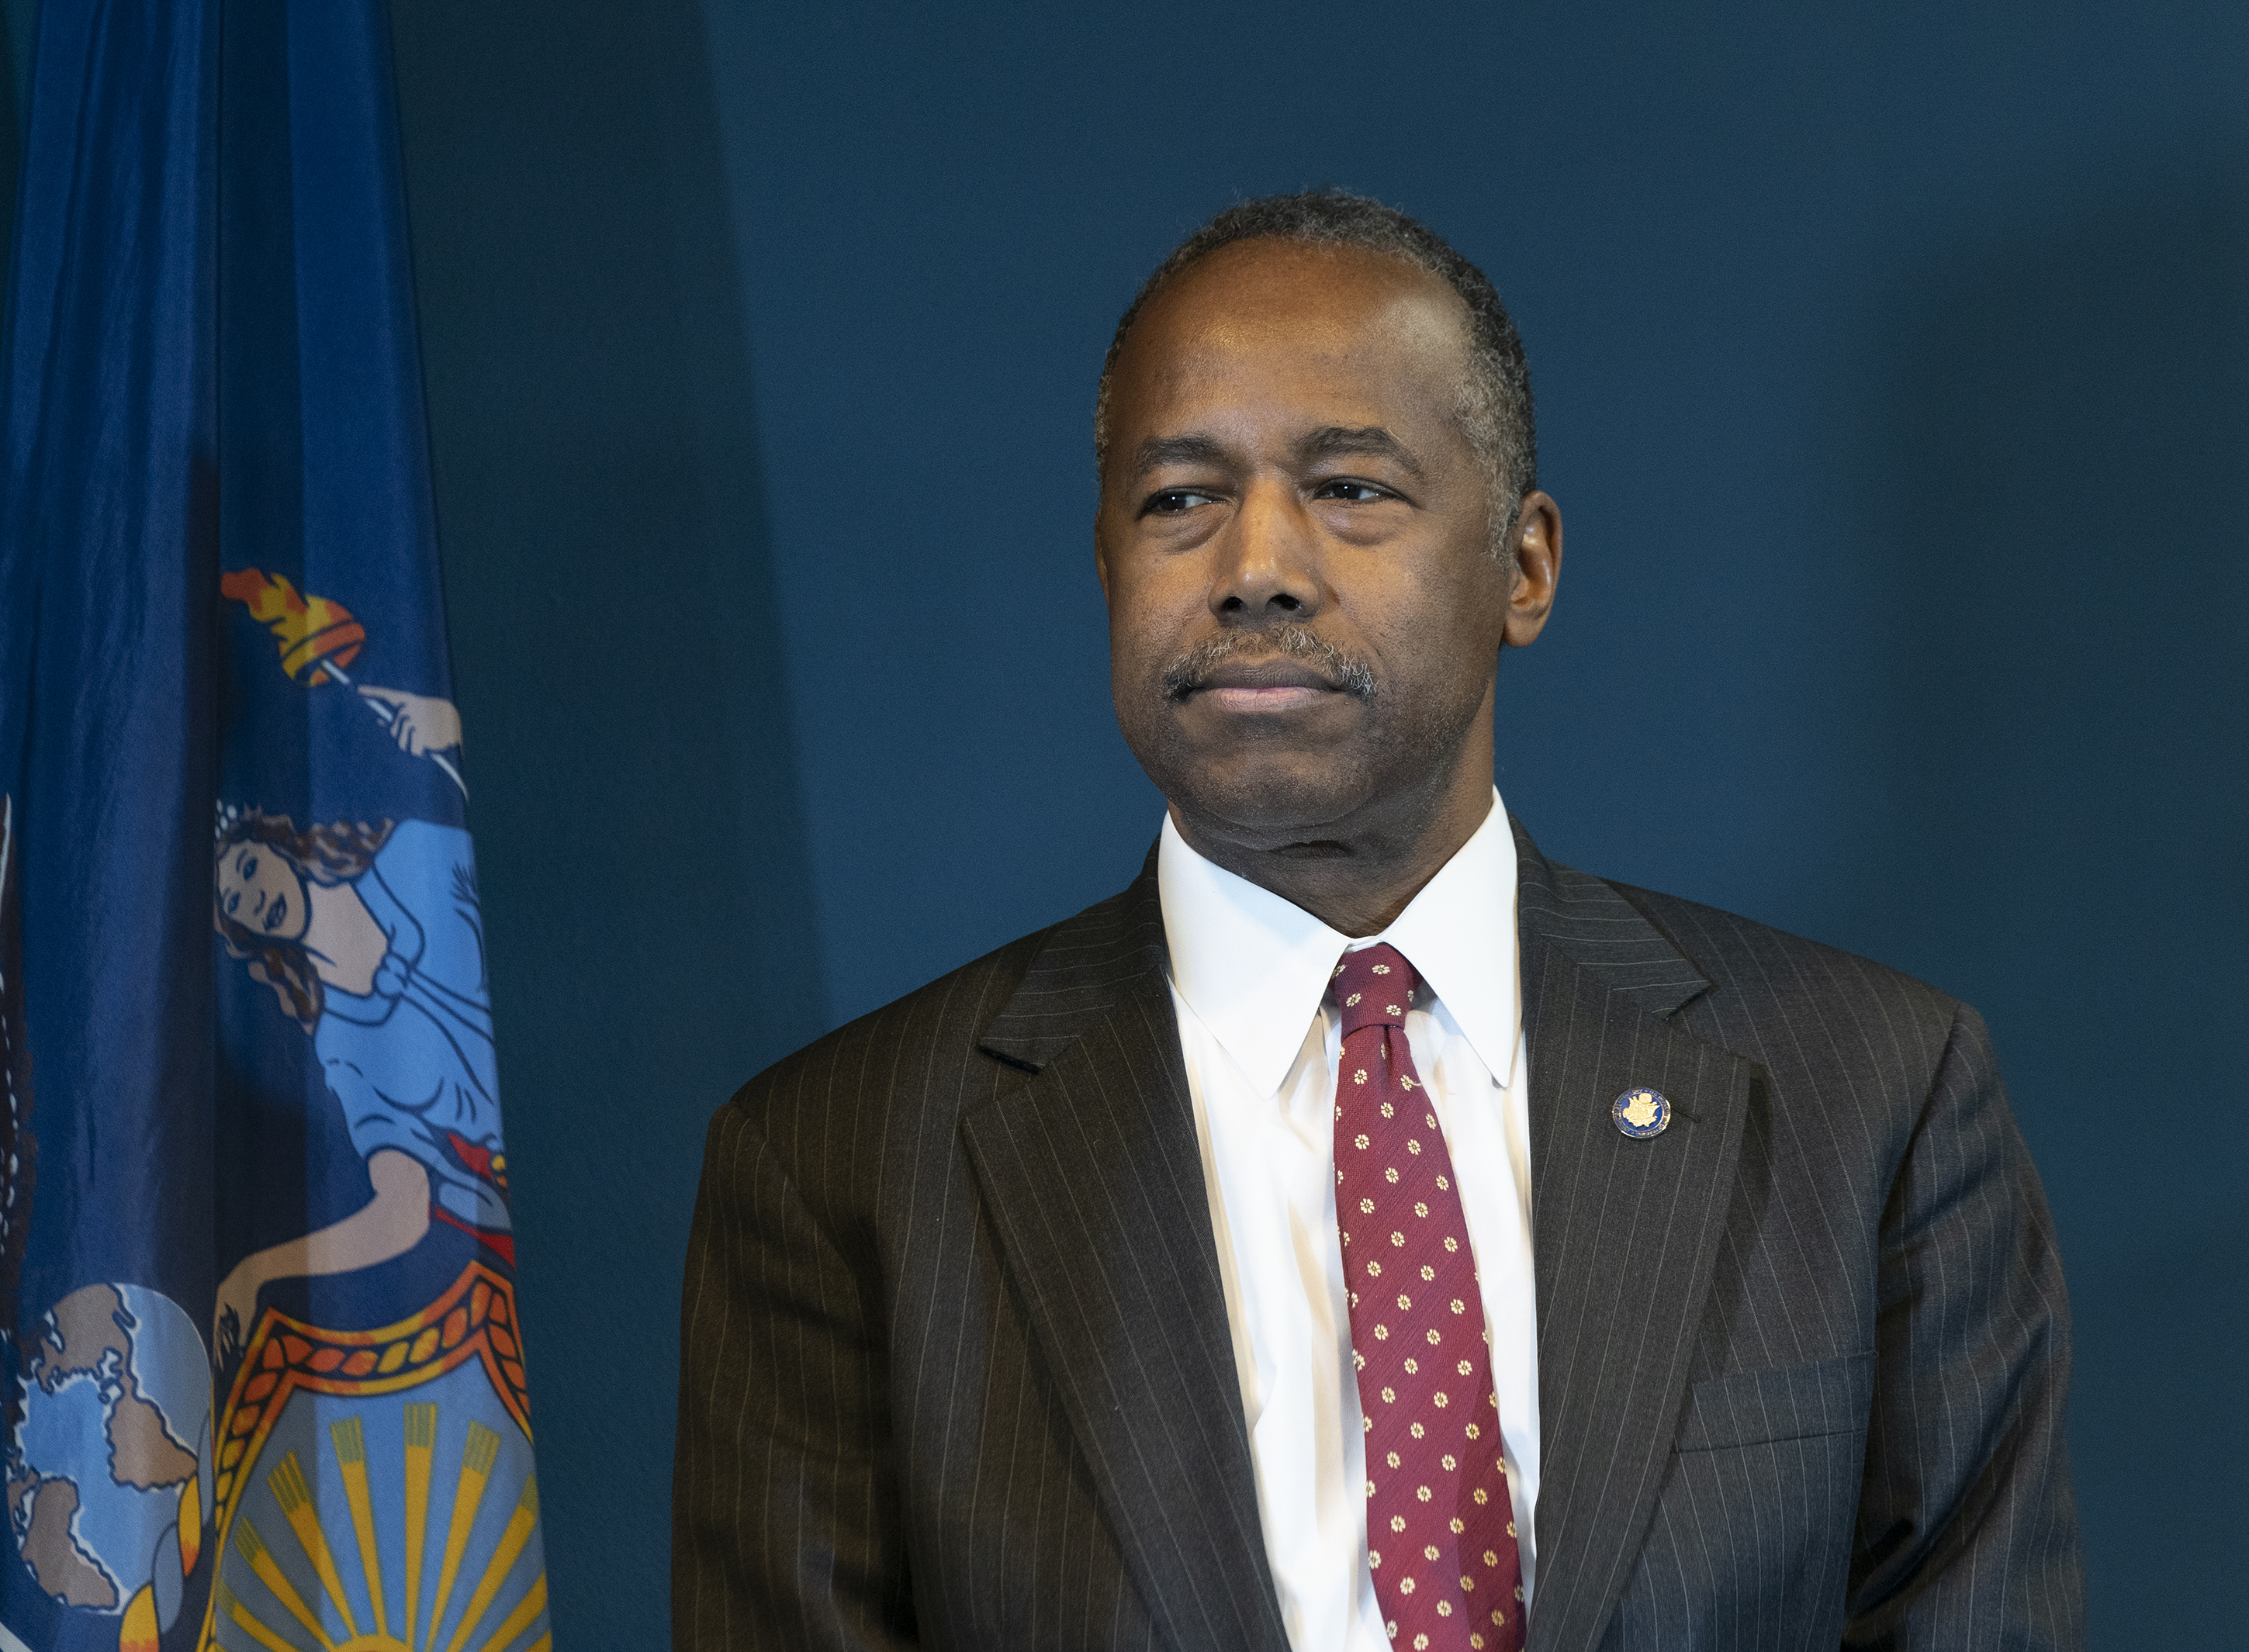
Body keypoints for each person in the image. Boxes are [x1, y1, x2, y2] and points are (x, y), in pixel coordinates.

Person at [671, 191, 2083, 1651]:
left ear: (1521, 569)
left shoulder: (1874, 1095)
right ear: (1104, 569)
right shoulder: (836, 1164)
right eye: (1179, 500)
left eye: (1350, 488)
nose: (1256, 564)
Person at [212, 803, 510, 1360]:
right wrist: (256, 1273)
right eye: (233, 902)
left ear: (280, 845)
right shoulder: (341, 1046)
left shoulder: (410, 856)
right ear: (246, 932)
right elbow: (401, 1209)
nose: (251, 896)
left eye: (249, 867)